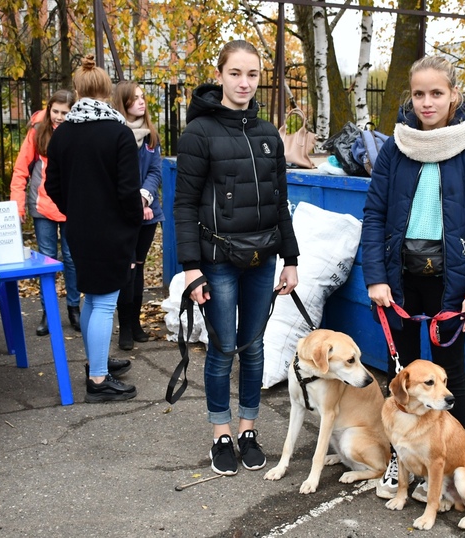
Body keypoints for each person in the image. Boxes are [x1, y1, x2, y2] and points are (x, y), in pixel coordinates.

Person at [361, 56, 465, 500]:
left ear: (453, 94)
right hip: (399, 280)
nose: (427, 102)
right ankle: (402, 461)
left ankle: (445, 461)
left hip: (450, 283)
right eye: (419, 94)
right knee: (402, 373)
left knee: (449, 372)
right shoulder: (395, 148)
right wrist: (375, 277)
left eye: (436, 93)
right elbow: (374, 215)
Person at [174, 40, 300, 476]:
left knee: (253, 347)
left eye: (252, 74)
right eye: (235, 73)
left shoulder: (268, 134)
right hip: (218, 260)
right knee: (223, 347)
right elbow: (184, 205)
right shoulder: (198, 133)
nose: (244, 83)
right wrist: (191, 269)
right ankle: (221, 434)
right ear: (220, 75)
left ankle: (248, 429)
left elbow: (280, 202)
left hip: (262, 259)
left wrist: (290, 259)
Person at [45, 55, 142, 402]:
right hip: (112, 230)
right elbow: (128, 190)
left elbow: (52, 185)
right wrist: (134, 219)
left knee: (92, 297)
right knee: (104, 302)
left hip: (78, 228)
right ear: (107, 92)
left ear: (78, 92)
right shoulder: (119, 133)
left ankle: (95, 361)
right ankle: (99, 381)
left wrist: (75, 210)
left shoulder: (62, 134)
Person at [10, 89, 80, 337]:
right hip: (42, 206)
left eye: (64, 112)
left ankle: (74, 307)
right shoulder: (38, 131)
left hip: (71, 206)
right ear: (49, 109)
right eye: (55, 111)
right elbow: (21, 170)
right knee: (47, 259)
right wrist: (17, 205)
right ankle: (48, 311)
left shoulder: (78, 132)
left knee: (72, 258)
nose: (59, 117)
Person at [111, 81, 165, 350]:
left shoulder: (151, 136)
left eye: (143, 97)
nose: (142, 102)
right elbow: (117, 176)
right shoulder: (115, 135)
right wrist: (134, 203)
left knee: (139, 267)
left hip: (148, 211)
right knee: (127, 268)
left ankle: (135, 323)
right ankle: (124, 327)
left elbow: (155, 171)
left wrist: (144, 197)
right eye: (135, 98)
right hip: (123, 214)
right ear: (123, 102)